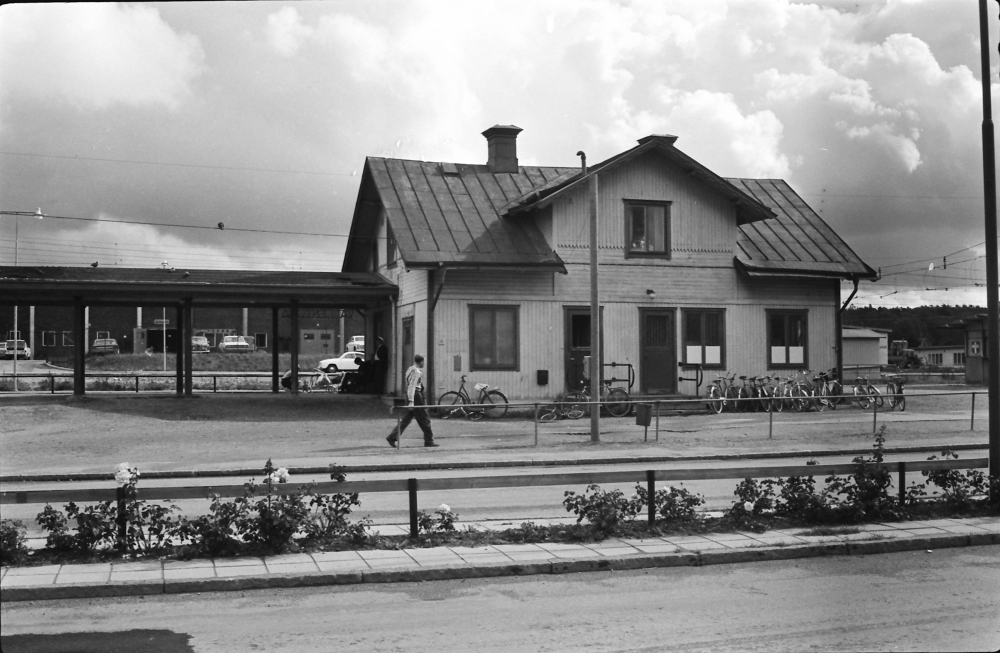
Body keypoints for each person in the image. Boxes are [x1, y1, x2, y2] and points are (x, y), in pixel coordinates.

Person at [386, 354, 437, 448]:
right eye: (424, 362)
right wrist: (412, 401)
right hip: (416, 396)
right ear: (421, 362)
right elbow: (412, 386)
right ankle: (429, 441)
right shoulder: (417, 372)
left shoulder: (410, 369)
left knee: (406, 419)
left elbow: (408, 385)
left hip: (411, 395)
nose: (424, 364)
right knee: (425, 419)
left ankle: (392, 436)